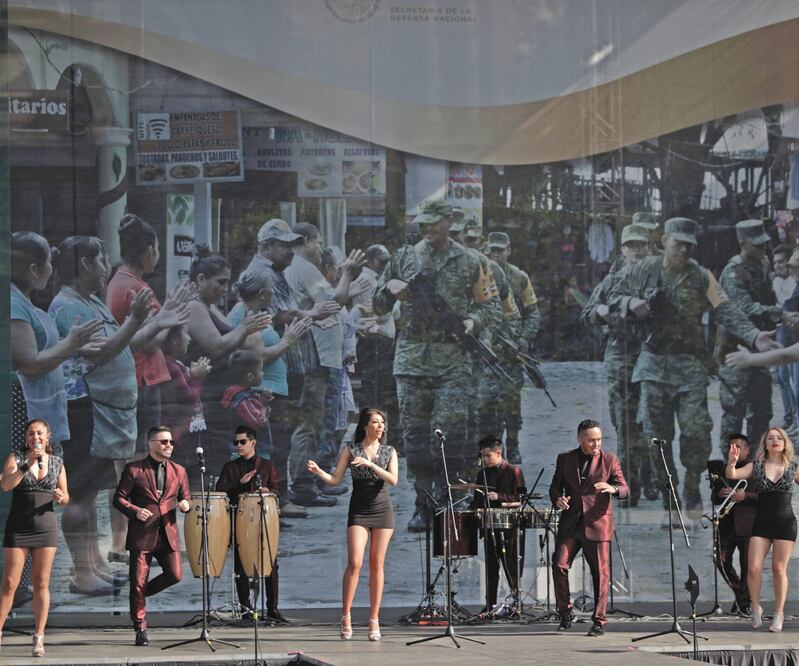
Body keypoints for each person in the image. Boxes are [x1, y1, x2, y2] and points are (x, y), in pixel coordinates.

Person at [611, 217, 777, 522]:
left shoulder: (702, 276)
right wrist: (630, 301)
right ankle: (669, 499)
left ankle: (690, 487)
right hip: (653, 366)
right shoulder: (643, 269)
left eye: (690, 245)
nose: (685, 250)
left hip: (690, 367)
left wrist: (754, 335)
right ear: (664, 241)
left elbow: (726, 309)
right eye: (679, 244)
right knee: (655, 438)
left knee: (696, 434)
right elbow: (611, 296)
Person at [373, 200, 499, 531]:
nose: (427, 229)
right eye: (423, 224)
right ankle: (422, 501)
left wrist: (473, 321)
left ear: (449, 222)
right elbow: (376, 302)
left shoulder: (471, 260)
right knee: (414, 436)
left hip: (453, 358)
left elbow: (490, 305)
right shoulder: (404, 258)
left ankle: (445, 497)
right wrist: (390, 287)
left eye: (433, 223)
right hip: (413, 356)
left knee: (449, 430)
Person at [49, 236, 158, 594]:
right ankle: (82, 572)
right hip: (86, 410)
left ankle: (93, 565)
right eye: (101, 260)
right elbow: (98, 354)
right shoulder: (67, 307)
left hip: (102, 412)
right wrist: (135, 320)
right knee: (80, 493)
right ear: (84, 265)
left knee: (91, 492)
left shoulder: (90, 301)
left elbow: (122, 343)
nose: (106, 267)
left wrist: (147, 322)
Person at [246, 219, 341, 509]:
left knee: (286, 433)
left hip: (289, 363)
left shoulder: (277, 271)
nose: (291, 250)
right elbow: (277, 315)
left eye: (291, 244)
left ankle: (284, 494)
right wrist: (312, 313)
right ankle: (282, 495)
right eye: (284, 245)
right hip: (275, 364)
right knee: (279, 435)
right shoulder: (262, 273)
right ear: (266, 247)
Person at [307, 407, 398, 641]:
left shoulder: (389, 451)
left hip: (382, 509)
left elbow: (393, 480)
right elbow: (335, 479)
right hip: (359, 510)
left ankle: (374, 620)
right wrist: (319, 472)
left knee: (377, 564)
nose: (380, 427)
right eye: (376, 423)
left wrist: (371, 465)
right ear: (365, 426)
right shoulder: (352, 449)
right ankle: (346, 616)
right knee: (355, 562)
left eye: (382, 423)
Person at [581, 223, 652, 506]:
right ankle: (630, 482)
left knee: (651, 422)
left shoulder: (657, 278)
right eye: (630, 245)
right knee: (624, 423)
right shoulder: (612, 281)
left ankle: (650, 476)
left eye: (641, 245)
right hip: (621, 359)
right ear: (622, 249)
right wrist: (599, 310)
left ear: (649, 248)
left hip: (653, 358)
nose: (635, 251)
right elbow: (587, 313)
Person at [715, 221, 795, 456]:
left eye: (765, 243)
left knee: (761, 411)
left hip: (760, 348)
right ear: (743, 244)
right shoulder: (733, 272)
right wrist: (778, 312)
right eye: (758, 244)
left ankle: (754, 466)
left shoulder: (762, 263)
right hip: (735, 351)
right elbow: (744, 308)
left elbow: (767, 297)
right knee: (734, 413)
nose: (764, 248)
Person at [548, 419, 628, 637]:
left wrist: (612, 488)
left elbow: (625, 488)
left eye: (599, 439)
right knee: (559, 565)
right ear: (580, 439)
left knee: (601, 575)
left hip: (598, 523)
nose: (596, 444)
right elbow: (555, 487)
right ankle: (565, 612)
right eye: (591, 440)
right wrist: (558, 500)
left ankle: (599, 620)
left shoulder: (609, 459)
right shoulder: (565, 459)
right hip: (571, 523)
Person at [113, 426, 191, 646]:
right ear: (151, 444)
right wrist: (135, 511)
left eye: (171, 442)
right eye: (164, 442)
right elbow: (118, 499)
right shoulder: (134, 469)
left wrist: (186, 504)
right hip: (142, 534)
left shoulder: (179, 471)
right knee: (137, 581)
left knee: (175, 574)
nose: (169, 446)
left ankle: (138, 596)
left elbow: (186, 497)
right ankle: (140, 627)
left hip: (168, 533)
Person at [0, 419, 69, 657]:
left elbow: (66, 496)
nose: (35, 437)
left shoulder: (57, 463)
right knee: (10, 583)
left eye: (40, 433)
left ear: (47, 436)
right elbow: (6, 485)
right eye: (31, 433)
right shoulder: (16, 458)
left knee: (41, 583)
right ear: (27, 437)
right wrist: (25, 466)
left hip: (45, 528)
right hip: (19, 527)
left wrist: (61, 497)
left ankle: (39, 637)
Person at [726, 427, 799, 632]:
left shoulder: (792, 467)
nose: (775, 440)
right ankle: (756, 607)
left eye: (779, 438)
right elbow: (732, 474)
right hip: (762, 523)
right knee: (754, 568)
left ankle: (778, 614)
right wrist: (732, 461)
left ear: (784, 443)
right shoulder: (756, 465)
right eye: (770, 438)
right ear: (765, 444)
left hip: (785, 522)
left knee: (778, 569)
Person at [215, 426, 283, 622]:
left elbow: (277, 490)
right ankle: (246, 609)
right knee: (240, 565)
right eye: (235, 442)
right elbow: (221, 491)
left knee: (270, 563)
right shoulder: (230, 467)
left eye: (242, 442)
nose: (238, 445)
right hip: (240, 521)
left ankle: (272, 609)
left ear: (253, 443)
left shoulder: (267, 465)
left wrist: (269, 489)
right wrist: (241, 484)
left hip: (263, 520)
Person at [485, 231, 541, 465]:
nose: (496, 255)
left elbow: (532, 313)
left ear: (509, 251)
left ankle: (514, 444)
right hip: (488, 353)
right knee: (488, 403)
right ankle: (494, 449)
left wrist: (524, 339)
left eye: (501, 250)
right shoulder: (481, 275)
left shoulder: (519, 277)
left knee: (511, 403)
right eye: (493, 251)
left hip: (512, 352)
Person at [469, 436, 526, 612]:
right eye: (482, 456)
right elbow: (477, 500)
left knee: (511, 567)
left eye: (487, 456)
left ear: (498, 453)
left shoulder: (513, 471)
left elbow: (521, 498)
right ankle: (490, 605)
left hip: (510, 527)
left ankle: (516, 604)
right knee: (491, 568)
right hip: (490, 527)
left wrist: (499, 497)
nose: (484, 459)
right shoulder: (482, 474)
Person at [710, 433, 756, 616]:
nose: (733, 450)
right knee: (720, 560)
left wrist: (744, 496)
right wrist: (720, 493)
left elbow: (765, 497)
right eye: (730, 446)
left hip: (749, 525)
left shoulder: (755, 468)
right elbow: (714, 498)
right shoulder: (721, 469)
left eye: (737, 446)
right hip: (726, 525)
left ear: (746, 450)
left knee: (748, 566)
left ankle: (744, 603)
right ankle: (741, 596)